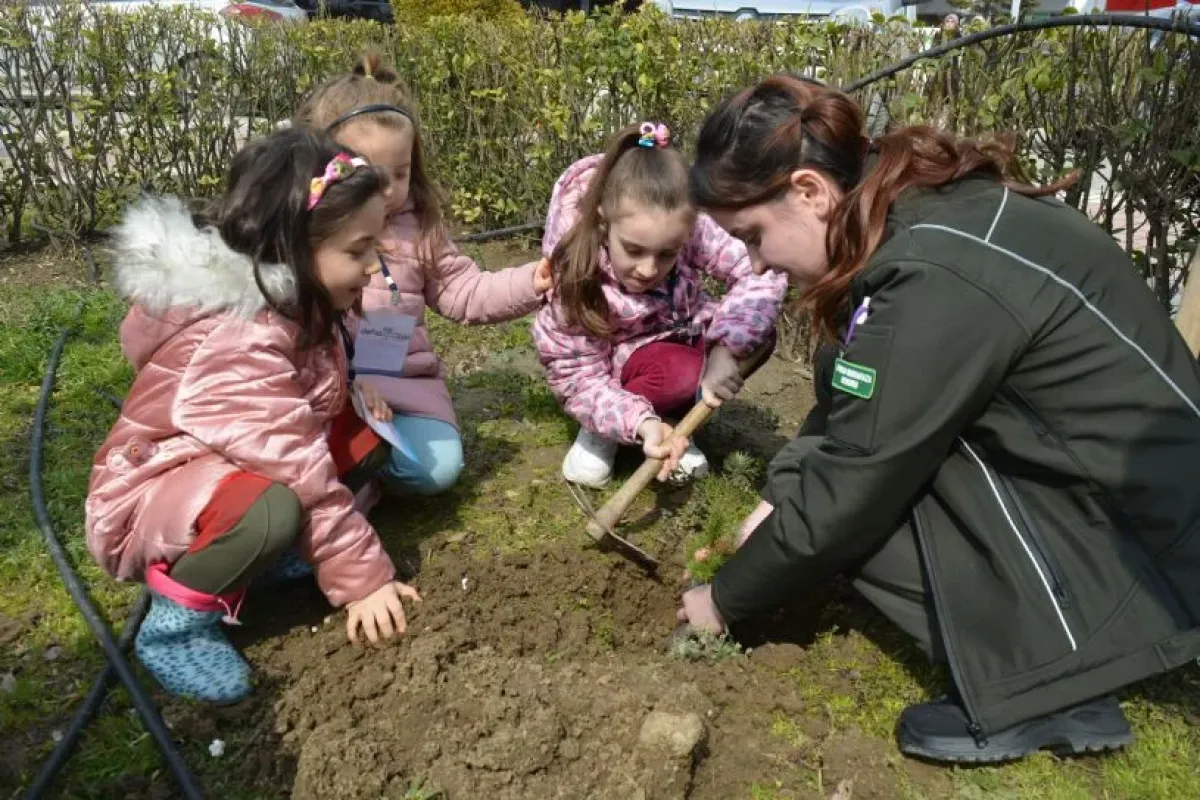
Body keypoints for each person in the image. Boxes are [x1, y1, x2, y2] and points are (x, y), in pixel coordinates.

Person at [677, 74, 1200, 764]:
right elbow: (849, 401)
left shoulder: (933, 272)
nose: (754, 262)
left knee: (866, 511)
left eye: (752, 236)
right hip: (1108, 498)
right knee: (844, 469)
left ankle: (1049, 681)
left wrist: (723, 601)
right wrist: (777, 499)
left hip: (1153, 547)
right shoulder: (913, 211)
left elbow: (857, 479)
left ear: (808, 190)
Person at [86, 127, 422, 704]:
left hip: (217, 471)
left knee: (366, 438)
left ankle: (265, 561)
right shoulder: (240, 338)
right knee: (274, 508)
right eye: (358, 251)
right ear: (293, 247)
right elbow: (297, 466)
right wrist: (363, 579)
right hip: (148, 497)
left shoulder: (296, 303)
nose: (373, 266)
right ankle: (175, 625)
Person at [294, 52, 553, 495]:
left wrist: (533, 281)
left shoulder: (419, 229)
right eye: (374, 175)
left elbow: (464, 290)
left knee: (436, 470)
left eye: (402, 172)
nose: (391, 191)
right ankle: (344, 468)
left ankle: (361, 472)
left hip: (402, 387)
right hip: (319, 389)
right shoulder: (307, 233)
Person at [533, 122, 788, 487]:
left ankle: (677, 423)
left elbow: (760, 271)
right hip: (611, 377)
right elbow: (577, 377)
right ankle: (607, 430)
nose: (649, 269)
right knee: (677, 371)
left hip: (677, 340)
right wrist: (642, 422)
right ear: (605, 224)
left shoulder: (685, 223)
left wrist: (726, 351)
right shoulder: (575, 276)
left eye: (668, 254)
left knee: (758, 334)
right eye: (634, 250)